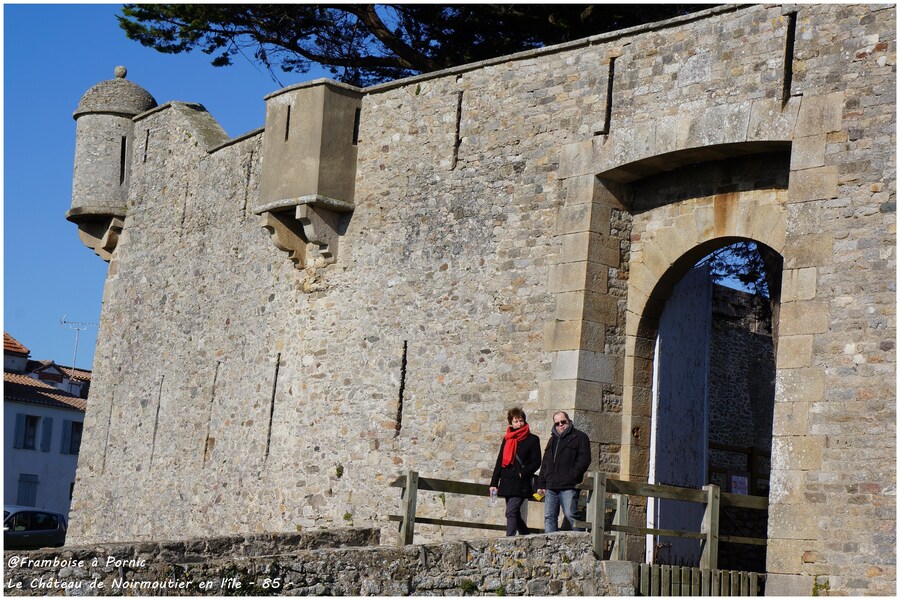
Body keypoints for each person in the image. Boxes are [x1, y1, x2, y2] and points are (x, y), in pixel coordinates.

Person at [535, 410, 591, 532]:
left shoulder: (580, 437)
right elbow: (545, 463)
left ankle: (580, 545)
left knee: (571, 515)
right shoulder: (552, 440)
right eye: (557, 423)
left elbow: (584, 460)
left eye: (563, 421)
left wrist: (572, 476)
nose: (560, 425)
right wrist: (541, 484)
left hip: (568, 485)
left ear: (569, 421)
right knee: (549, 517)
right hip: (551, 486)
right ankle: (550, 547)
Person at [489, 407, 542, 536]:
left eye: (521, 421)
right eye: (516, 421)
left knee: (511, 512)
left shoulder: (533, 439)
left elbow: (536, 462)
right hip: (507, 480)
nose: (519, 424)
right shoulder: (507, 439)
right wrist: (494, 482)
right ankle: (526, 536)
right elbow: (500, 461)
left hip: (521, 482)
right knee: (514, 513)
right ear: (511, 423)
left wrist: (522, 473)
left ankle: (509, 539)